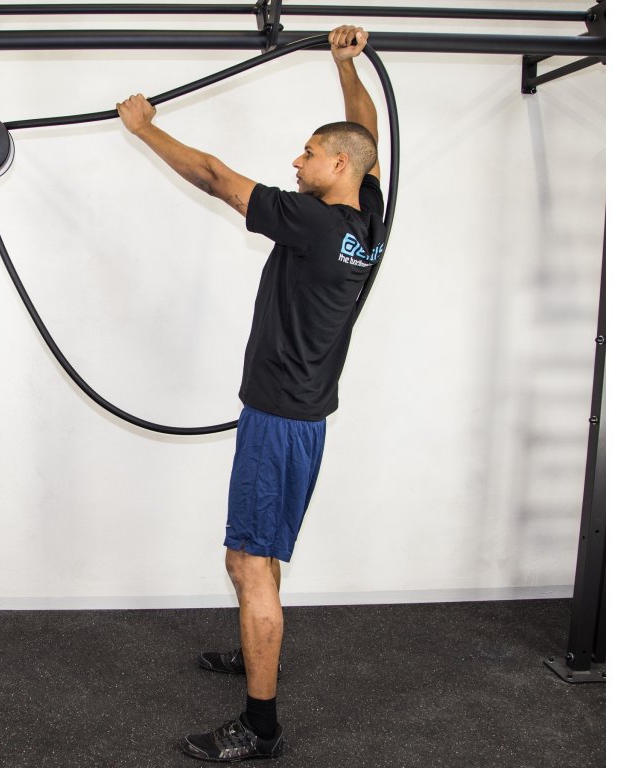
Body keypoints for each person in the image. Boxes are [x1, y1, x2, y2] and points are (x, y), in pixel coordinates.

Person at [117, 24, 386, 762]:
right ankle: (255, 648)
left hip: (278, 419)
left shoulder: (312, 221)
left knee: (248, 563)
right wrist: (345, 66)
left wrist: (144, 128)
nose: (296, 162)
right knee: (260, 560)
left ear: (337, 166)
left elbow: (214, 175)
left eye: (307, 152)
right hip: (303, 416)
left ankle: (260, 727)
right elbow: (364, 132)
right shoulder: (367, 214)